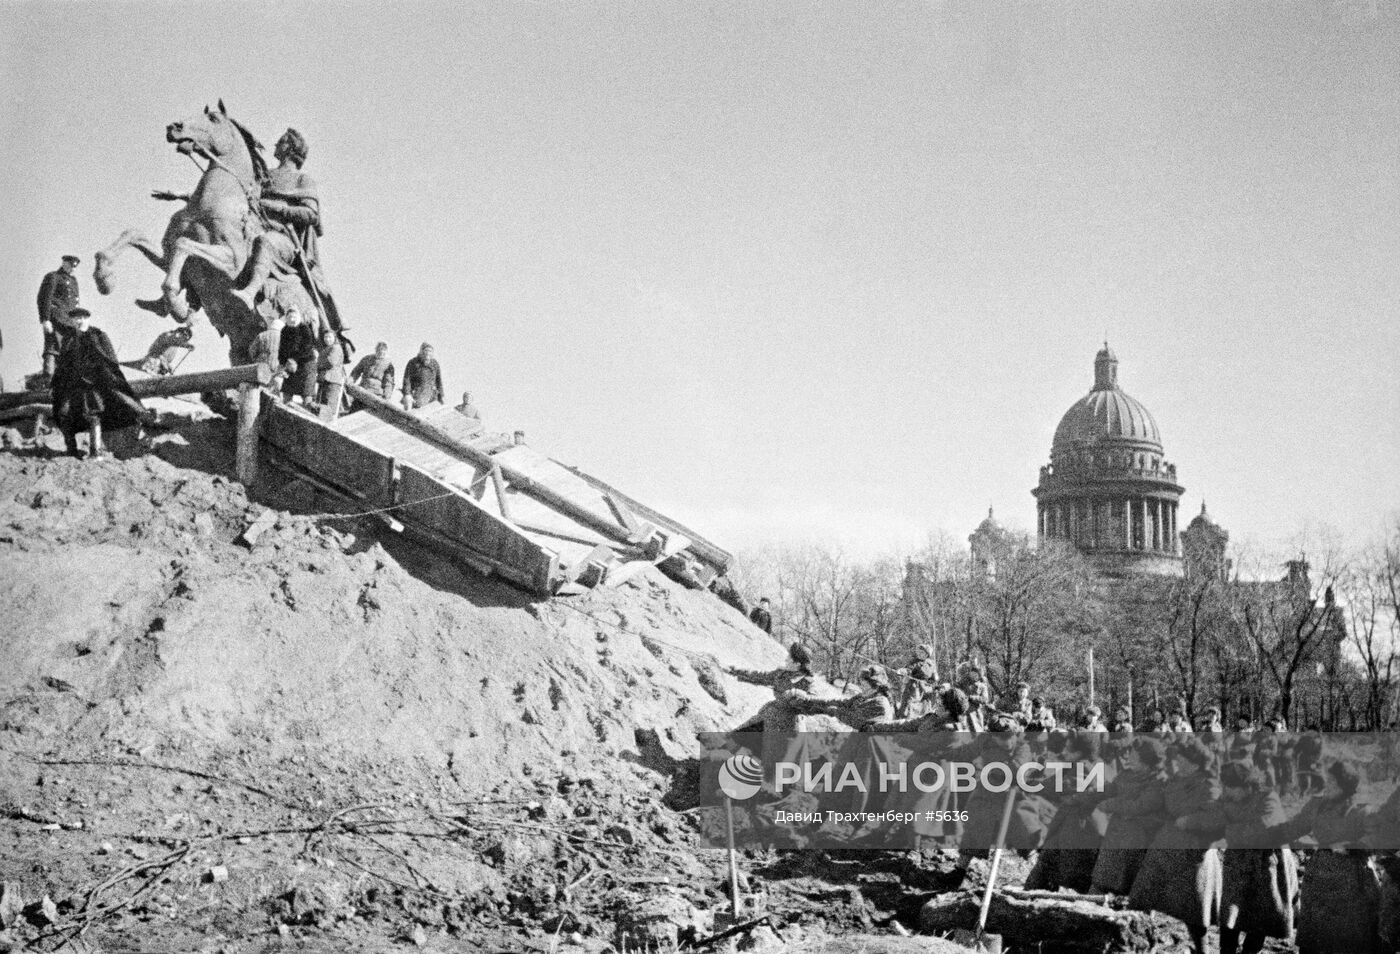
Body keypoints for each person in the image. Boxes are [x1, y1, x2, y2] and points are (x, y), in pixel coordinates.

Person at [1180, 761, 1298, 954]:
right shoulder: (1229, 798)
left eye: (1231, 787)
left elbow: (1262, 831)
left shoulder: (1268, 798)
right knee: (1230, 914)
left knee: (1261, 915)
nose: (1226, 791)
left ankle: (1251, 951)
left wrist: (1227, 830)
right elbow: (1214, 816)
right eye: (1225, 786)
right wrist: (1190, 822)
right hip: (1238, 862)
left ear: (1247, 786)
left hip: (1268, 864)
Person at [230, 128, 341, 330]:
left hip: (285, 241)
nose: (275, 145)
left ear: (290, 149)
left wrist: (278, 208)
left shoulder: (302, 180)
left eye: (280, 142)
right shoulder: (265, 176)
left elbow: (311, 214)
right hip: (254, 226)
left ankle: (249, 292)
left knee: (266, 242)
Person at [1128, 740, 1224, 954]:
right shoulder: (1175, 780)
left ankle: (1202, 949)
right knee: (1141, 897)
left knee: (1195, 914)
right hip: (1164, 847)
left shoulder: (1209, 785)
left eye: (1182, 758)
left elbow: (1217, 821)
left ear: (1195, 763)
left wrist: (1191, 822)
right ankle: (1143, 942)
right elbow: (1163, 805)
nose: (1177, 762)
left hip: (1193, 855)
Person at [50, 308, 148, 459]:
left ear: (88, 319)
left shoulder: (98, 335)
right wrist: (55, 383)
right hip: (73, 385)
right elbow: (62, 364)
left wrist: (105, 377)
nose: (79, 321)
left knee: (93, 415)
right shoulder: (68, 339)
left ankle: (95, 452)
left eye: (82, 318)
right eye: (76, 318)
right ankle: (71, 451)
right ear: (72, 320)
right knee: (63, 413)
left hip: (94, 383)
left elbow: (111, 360)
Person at [1092, 737, 1168, 895]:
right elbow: (1109, 790)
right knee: (1105, 875)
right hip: (1118, 831)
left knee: (1125, 873)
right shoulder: (1126, 775)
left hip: (1140, 832)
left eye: (1133, 754)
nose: (1128, 757)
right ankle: (1100, 890)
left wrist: (1112, 804)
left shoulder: (1159, 780)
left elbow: (1142, 806)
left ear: (1145, 759)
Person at [37, 254, 82, 379]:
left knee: (70, 350)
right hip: (56, 319)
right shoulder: (53, 277)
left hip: (70, 321)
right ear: (64, 263)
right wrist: (45, 320)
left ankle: (68, 378)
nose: (73, 269)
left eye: (75, 267)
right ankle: (48, 377)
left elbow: (75, 303)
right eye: (71, 266)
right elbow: (44, 299)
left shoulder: (74, 281)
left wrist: (78, 319)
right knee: (52, 347)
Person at [276, 308, 317, 404]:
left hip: (306, 365)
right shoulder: (284, 330)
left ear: (299, 318)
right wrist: (282, 363)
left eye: (294, 317)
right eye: (290, 317)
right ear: (286, 318)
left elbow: (307, 347)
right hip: (291, 365)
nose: (292, 320)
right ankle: (284, 411)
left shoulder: (305, 328)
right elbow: (282, 348)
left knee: (307, 394)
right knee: (287, 392)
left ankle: (307, 413)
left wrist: (294, 359)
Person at [315, 326, 347, 421]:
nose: (327, 339)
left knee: (329, 405)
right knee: (321, 405)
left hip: (332, 380)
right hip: (324, 379)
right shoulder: (325, 349)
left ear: (334, 338)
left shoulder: (336, 348)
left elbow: (330, 361)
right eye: (325, 337)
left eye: (330, 337)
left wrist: (318, 365)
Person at [401, 342, 444, 409]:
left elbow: (439, 381)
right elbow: (407, 380)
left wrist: (441, 395)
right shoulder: (413, 363)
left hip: (432, 395)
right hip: (418, 393)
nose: (428, 353)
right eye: (426, 350)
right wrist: (407, 394)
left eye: (430, 351)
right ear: (421, 351)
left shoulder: (434, 364)